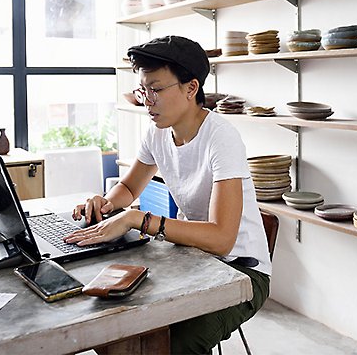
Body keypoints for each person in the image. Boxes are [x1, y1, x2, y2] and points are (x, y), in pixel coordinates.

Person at [64, 35, 271, 354]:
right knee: (111, 320)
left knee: (176, 344)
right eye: (143, 90)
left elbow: (222, 238)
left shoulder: (222, 138)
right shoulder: (157, 133)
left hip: (241, 270)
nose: (147, 100)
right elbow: (130, 188)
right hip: (190, 256)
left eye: (157, 89)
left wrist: (137, 218)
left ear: (191, 88)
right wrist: (106, 202)